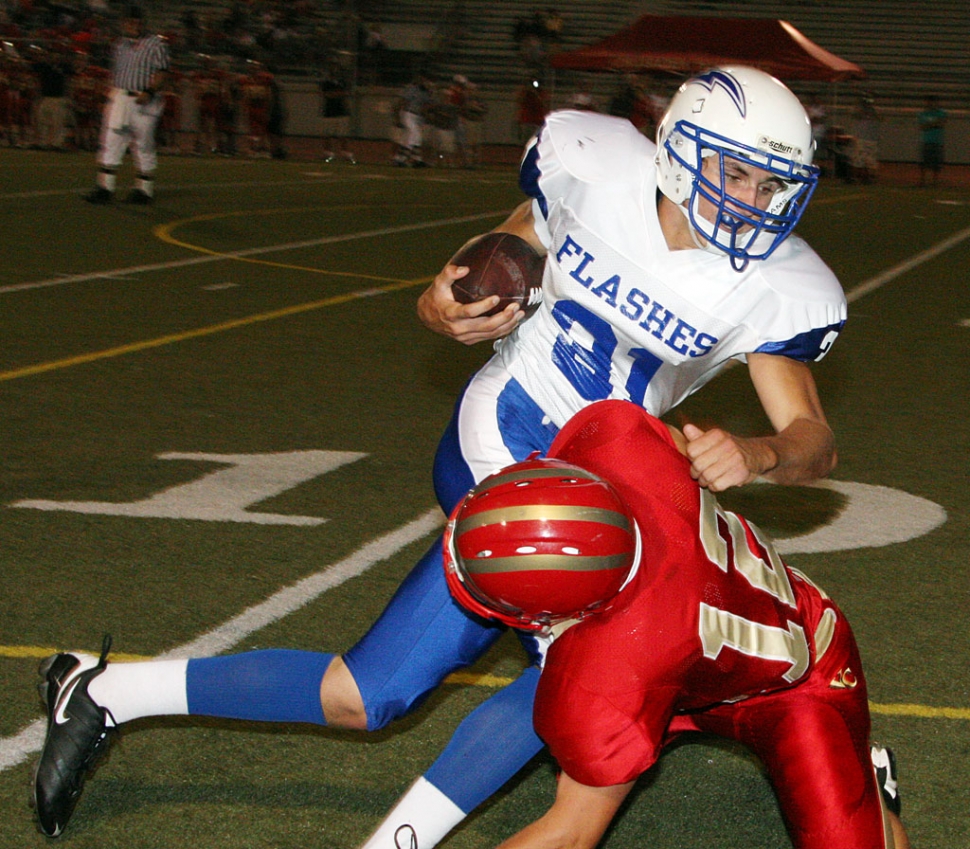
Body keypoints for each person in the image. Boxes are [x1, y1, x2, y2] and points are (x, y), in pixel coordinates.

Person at [31, 67, 846, 845]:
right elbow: (498, 250)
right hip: (507, 430)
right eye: (738, 174)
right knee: (601, 660)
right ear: (680, 146)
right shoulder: (594, 168)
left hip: (613, 477)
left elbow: (813, 437)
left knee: (362, 696)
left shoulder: (769, 284)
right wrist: (439, 301)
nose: (754, 203)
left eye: (773, 186)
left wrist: (762, 450)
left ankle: (100, 691)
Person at [443, 399, 910, 849]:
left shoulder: (608, 673)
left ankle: (870, 786)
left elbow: (569, 835)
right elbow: (683, 458)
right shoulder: (614, 438)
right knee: (607, 728)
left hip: (795, 681)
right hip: (677, 659)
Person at [83, 5, 169, 205]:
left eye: (136, 21)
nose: (133, 25)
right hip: (121, 97)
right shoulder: (120, 44)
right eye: (129, 21)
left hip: (143, 99)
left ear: (143, 23)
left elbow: (163, 72)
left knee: (143, 144)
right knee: (111, 141)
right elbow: (117, 73)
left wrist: (149, 91)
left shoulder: (156, 44)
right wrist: (110, 94)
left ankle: (144, 191)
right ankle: (105, 187)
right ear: (123, 23)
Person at [917, 94, 946, 187]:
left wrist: (929, 124)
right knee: (924, 162)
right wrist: (934, 123)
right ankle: (923, 181)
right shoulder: (922, 113)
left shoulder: (941, 113)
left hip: (937, 141)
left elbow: (941, 123)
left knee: (936, 163)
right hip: (926, 140)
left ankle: (934, 182)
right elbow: (922, 127)